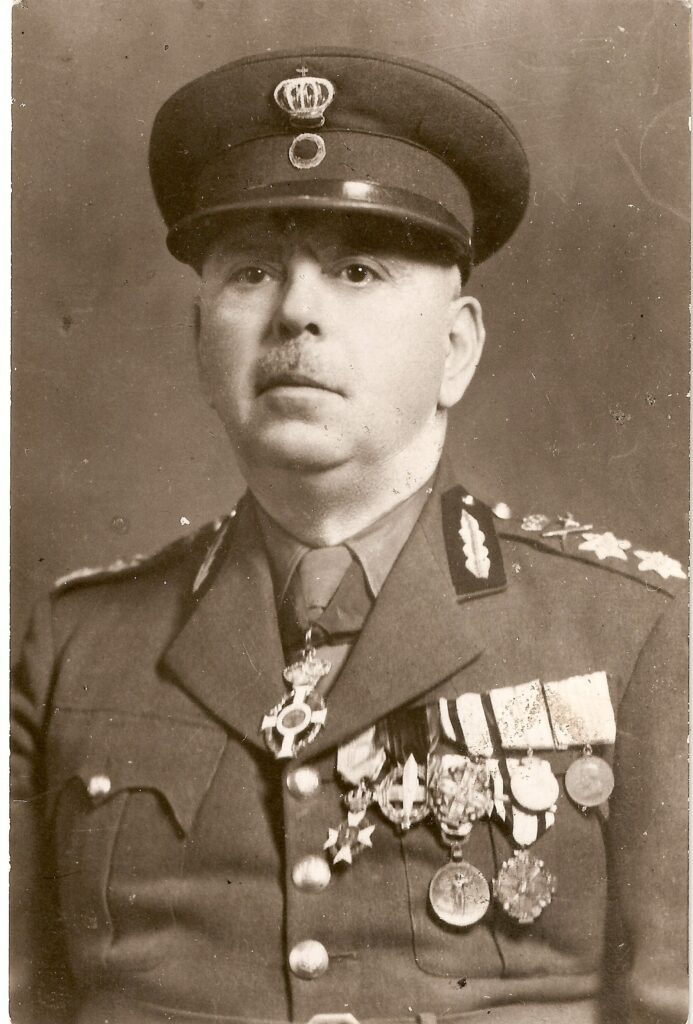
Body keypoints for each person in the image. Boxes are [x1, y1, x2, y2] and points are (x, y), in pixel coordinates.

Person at [10, 48, 687, 1024]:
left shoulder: (637, 635)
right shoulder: (73, 647)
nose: (295, 311)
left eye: (357, 270)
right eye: (252, 271)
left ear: (455, 348)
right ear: (198, 341)